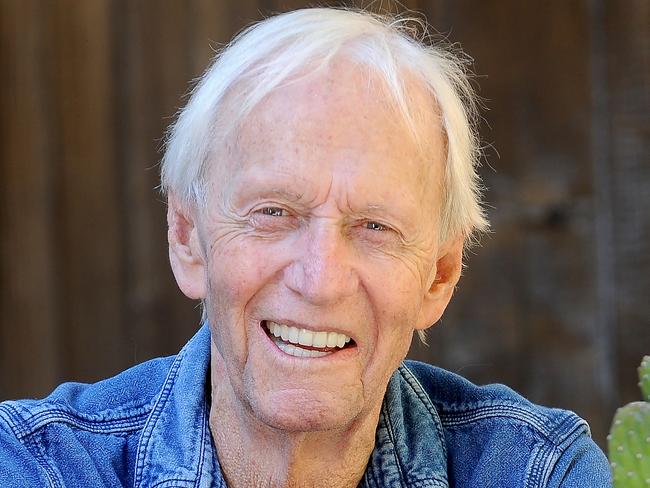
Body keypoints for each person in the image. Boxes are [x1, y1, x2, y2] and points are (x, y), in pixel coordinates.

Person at [0, 7, 611, 487]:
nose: (320, 280)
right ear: (187, 238)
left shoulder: (535, 471)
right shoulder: (36, 467)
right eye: (274, 213)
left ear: (439, 276)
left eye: (375, 226)